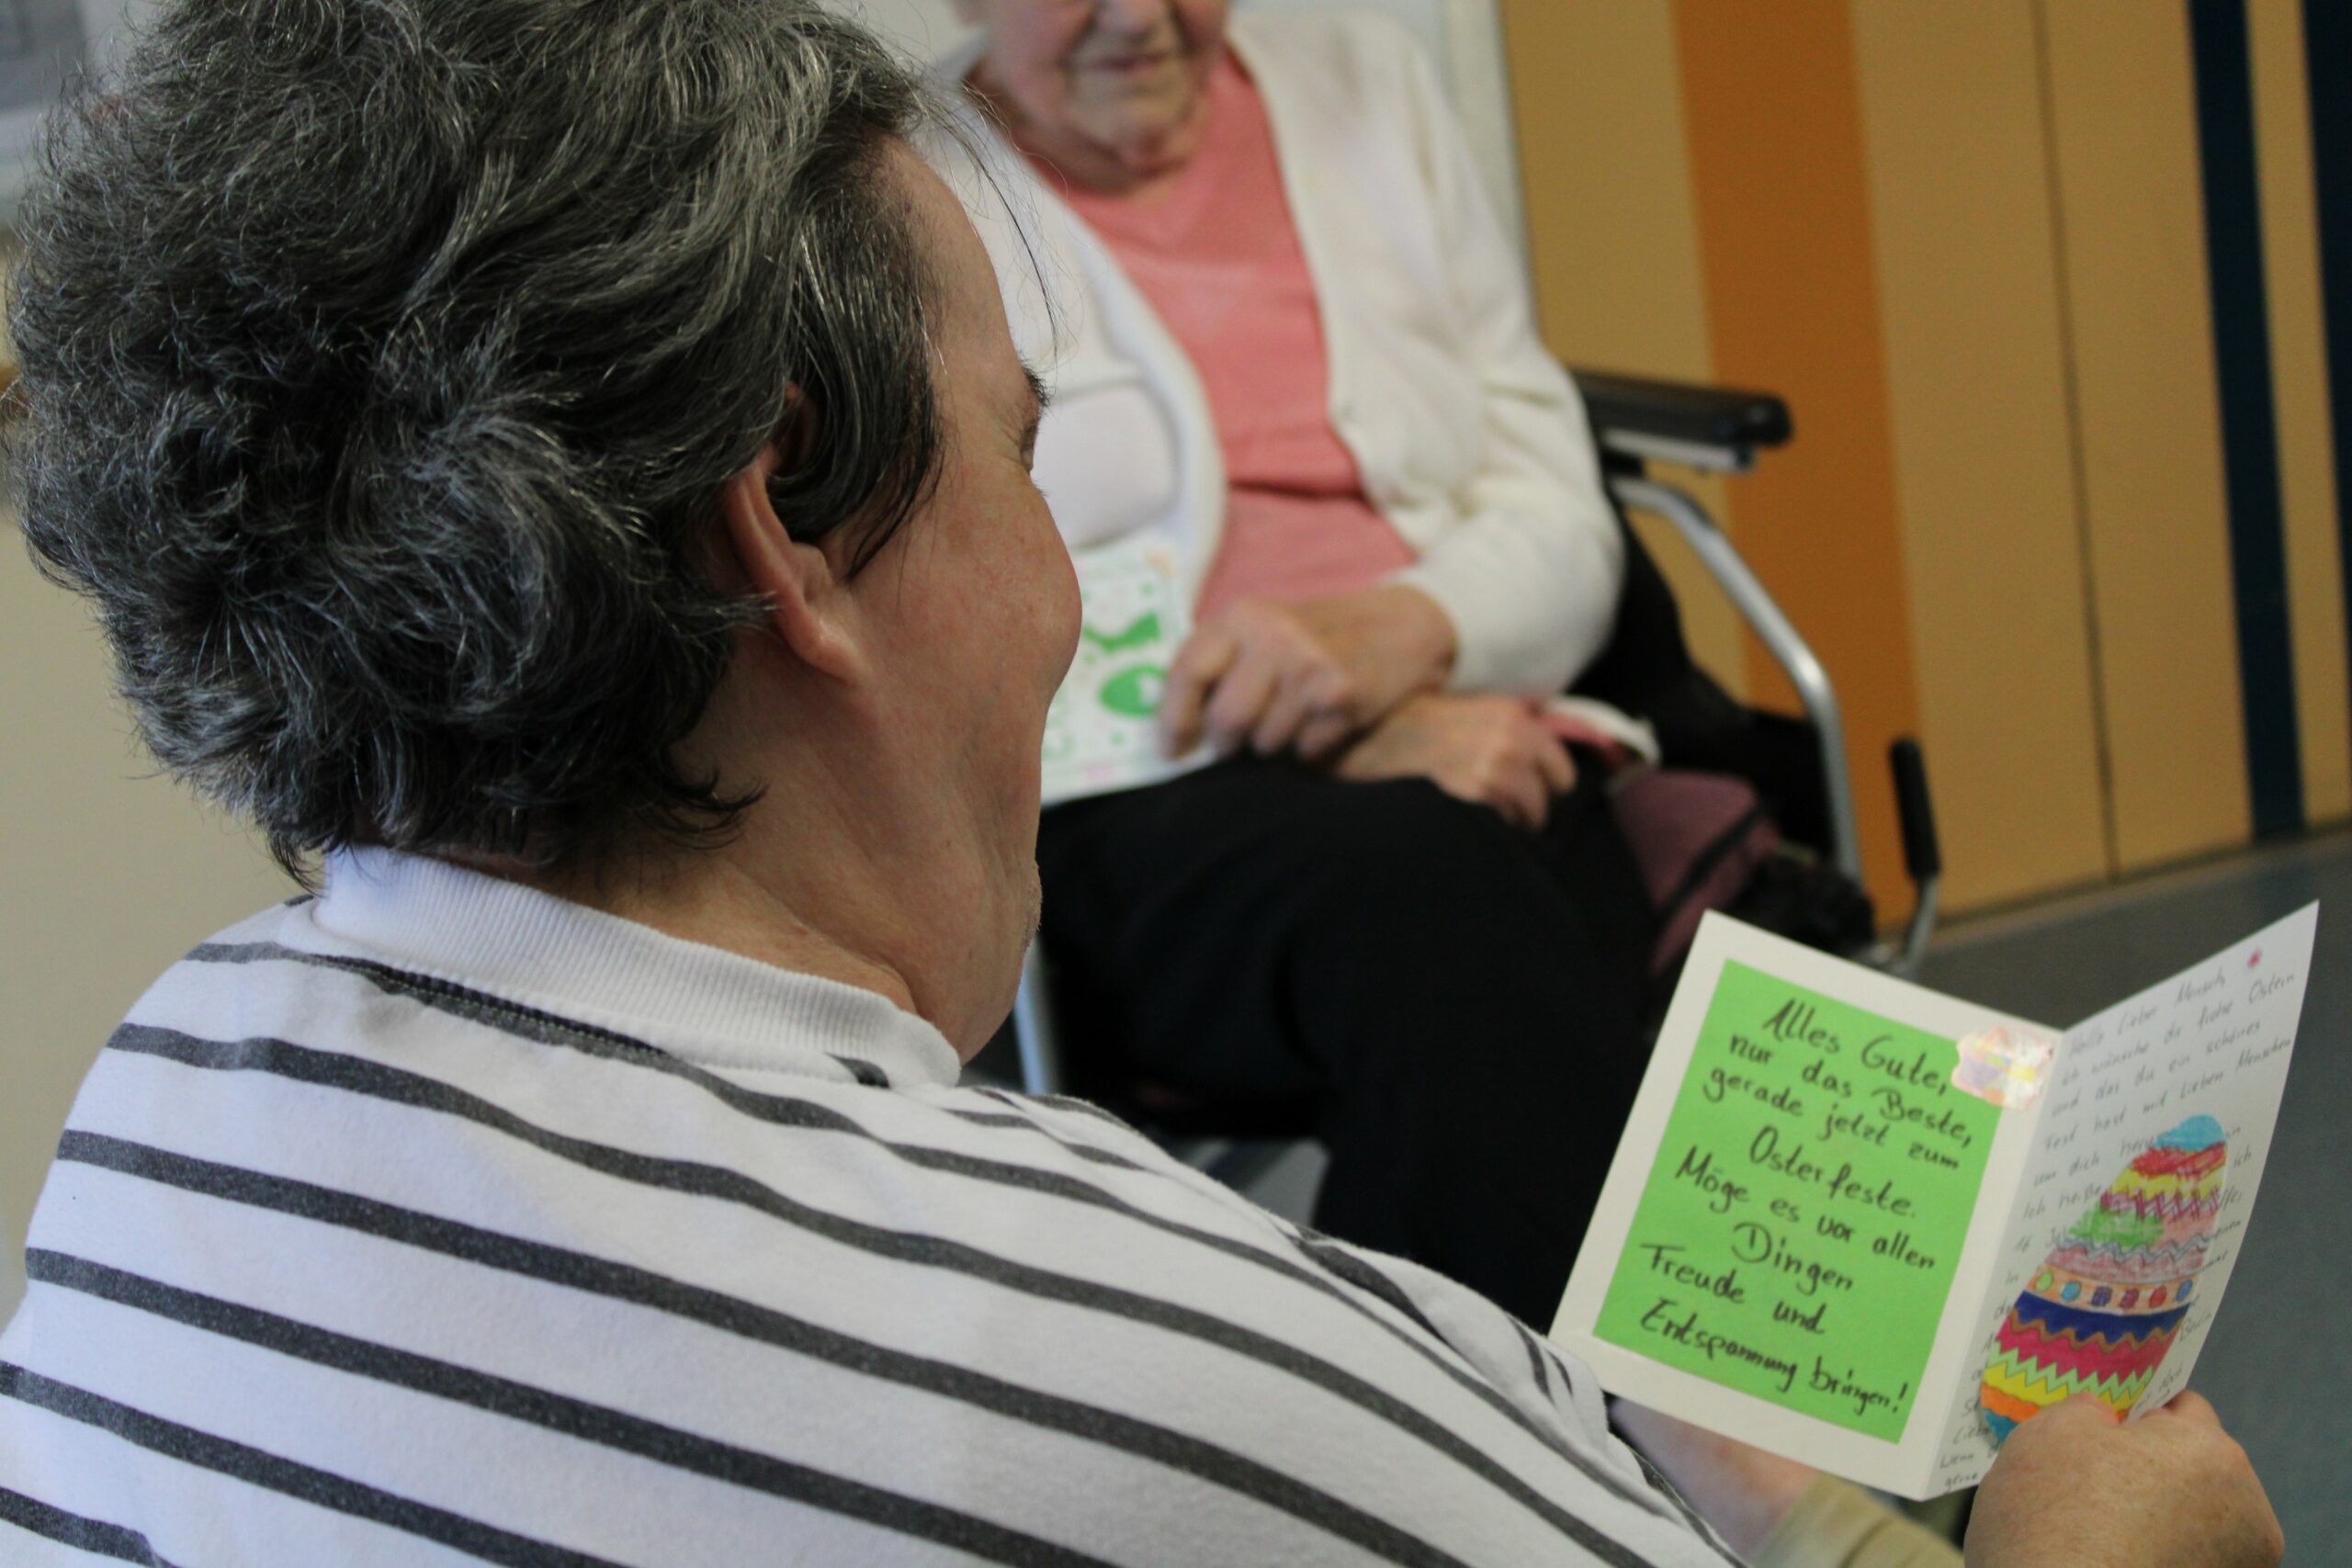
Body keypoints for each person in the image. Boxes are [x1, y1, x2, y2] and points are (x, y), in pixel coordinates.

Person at [0, 2, 2283, 1565]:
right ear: (789, 524)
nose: (1064, 567)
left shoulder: (156, 1128)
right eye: (1022, 452)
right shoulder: (1179, 1388)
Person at [947, 0, 1663, 1336]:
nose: (1140, 18)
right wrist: (1319, 728)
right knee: (1452, 904)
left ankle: (1444, 1422)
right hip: (1119, 798)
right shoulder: (902, 187)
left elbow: (1558, 508)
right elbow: (924, 619)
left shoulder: (1364, 88)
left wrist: (1413, 630)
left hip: (1465, 720)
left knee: (1539, 913)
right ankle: (1658, 1435)